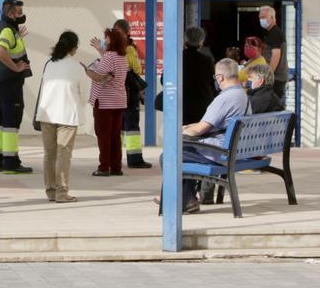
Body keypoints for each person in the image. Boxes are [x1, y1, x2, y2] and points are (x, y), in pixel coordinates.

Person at [156, 58, 250, 214]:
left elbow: (201, 129)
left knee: (169, 156)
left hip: (221, 153)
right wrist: (187, 127)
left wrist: (179, 132)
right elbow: (211, 125)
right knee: (183, 153)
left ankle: (186, 200)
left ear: (220, 77)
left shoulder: (224, 98)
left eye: (215, 78)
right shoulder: (242, 95)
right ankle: (184, 197)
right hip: (235, 149)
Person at [35, 31, 90, 203]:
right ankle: (61, 192)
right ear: (74, 48)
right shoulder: (77, 67)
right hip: (67, 114)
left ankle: (50, 191)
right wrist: (78, 105)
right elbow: (84, 95)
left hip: (47, 114)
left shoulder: (49, 64)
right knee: (63, 155)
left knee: (49, 154)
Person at [0, 0, 33, 174]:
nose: (22, 15)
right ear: (10, 13)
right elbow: (1, 51)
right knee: (11, 122)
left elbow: (7, 48)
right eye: (19, 12)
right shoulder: (7, 30)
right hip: (9, 83)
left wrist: (18, 37)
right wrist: (16, 68)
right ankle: (11, 162)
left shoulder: (2, 27)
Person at [85, 27, 129, 177]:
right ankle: (116, 166)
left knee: (103, 135)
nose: (105, 41)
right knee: (115, 135)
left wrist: (88, 70)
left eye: (107, 38)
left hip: (104, 101)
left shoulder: (109, 56)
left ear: (113, 40)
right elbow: (109, 68)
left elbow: (99, 75)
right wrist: (100, 50)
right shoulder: (122, 57)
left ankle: (104, 167)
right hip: (119, 101)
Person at [112, 19, 151, 169]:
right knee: (132, 126)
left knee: (118, 126)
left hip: (115, 92)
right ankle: (135, 159)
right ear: (128, 32)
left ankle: (114, 158)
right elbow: (136, 69)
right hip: (129, 92)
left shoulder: (110, 48)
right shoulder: (129, 49)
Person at [259, 6, 289, 101]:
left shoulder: (275, 33)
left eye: (263, 17)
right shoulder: (273, 33)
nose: (261, 20)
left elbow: (276, 55)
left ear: (272, 18)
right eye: (260, 17)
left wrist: (269, 76)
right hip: (277, 78)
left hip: (276, 79)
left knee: (272, 108)